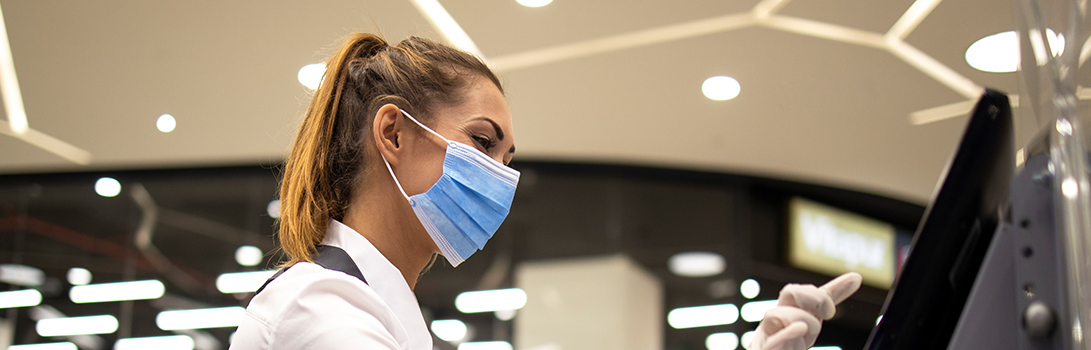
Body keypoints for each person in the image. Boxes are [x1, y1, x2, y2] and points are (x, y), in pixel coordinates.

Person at [227, 33, 862, 350]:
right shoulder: (320, 310)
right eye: (482, 141)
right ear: (392, 132)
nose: (501, 178)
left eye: (509, 159)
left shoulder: (383, 312)